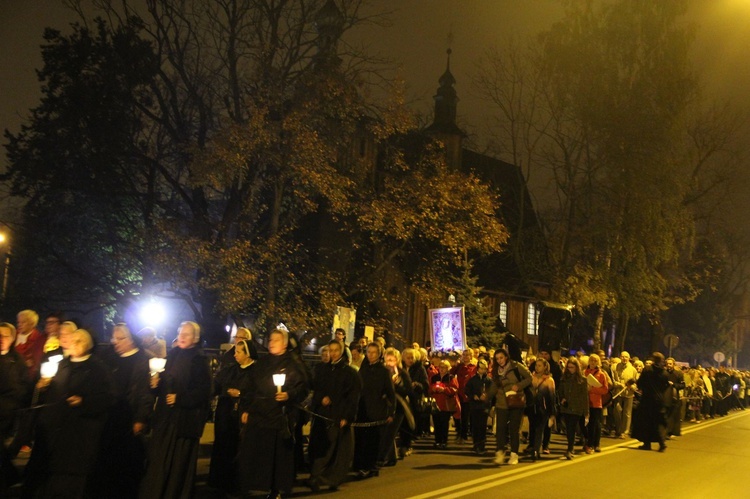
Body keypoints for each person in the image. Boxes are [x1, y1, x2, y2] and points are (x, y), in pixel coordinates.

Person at [23, 328, 115, 498]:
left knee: (72, 482)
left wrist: (84, 402)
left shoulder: (97, 369)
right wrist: (42, 387)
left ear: (87, 344)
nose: (74, 343)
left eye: (78, 340)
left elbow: (107, 399)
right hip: (55, 432)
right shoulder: (60, 365)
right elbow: (47, 394)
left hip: (79, 434)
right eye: (72, 340)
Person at [140, 321, 212, 499]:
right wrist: (156, 384)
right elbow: (165, 381)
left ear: (195, 338)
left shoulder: (199, 360)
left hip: (183, 422)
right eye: (180, 333)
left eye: (187, 334)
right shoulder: (172, 355)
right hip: (166, 418)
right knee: (160, 460)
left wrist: (180, 399)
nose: (182, 337)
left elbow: (203, 391)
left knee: (178, 463)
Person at [238, 328, 309, 499]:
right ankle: (254, 484)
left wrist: (288, 394)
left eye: (275, 340)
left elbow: (303, 388)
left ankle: (276, 488)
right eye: (270, 340)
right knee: (255, 451)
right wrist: (245, 408)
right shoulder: (262, 363)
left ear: (284, 344)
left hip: (278, 416)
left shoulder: (293, 364)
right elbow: (250, 387)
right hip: (259, 414)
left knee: (277, 455)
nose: (271, 343)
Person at [93, 323, 153, 498]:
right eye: (114, 338)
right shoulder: (107, 357)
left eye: (120, 339)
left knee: (126, 464)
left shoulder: (143, 360)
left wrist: (141, 418)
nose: (115, 342)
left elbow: (145, 393)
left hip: (129, 418)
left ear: (132, 340)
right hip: (107, 418)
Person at [307, 339, 361, 492]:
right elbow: (316, 390)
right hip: (322, 416)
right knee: (320, 448)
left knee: (336, 451)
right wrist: (321, 398)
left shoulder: (350, 373)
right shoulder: (322, 370)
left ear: (342, 351)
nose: (333, 353)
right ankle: (315, 476)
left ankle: (331, 479)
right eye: (330, 350)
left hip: (339, 416)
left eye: (336, 350)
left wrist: (347, 416)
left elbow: (352, 397)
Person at [208, 339, 256, 495]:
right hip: (224, 414)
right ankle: (218, 481)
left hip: (241, 415)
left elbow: (258, 393)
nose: (235, 355)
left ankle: (236, 483)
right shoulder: (229, 370)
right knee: (222, 447)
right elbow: (216, 385)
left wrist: (241, 394)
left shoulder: (256, 371)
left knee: (237, 450)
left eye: (238, 352)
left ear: (248, 354)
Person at [353, 342, 395, 479]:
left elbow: (390, 393)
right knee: (361, 440)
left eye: (373, 352)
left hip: (376, 411)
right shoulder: (363, 369)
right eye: (368, 352)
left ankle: (370, 466)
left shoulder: (383, 371)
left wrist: (390, 412)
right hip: (362, 410)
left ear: (379, 354)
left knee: (373, 440)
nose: (370, 355)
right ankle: (360, 465)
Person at [487, 348, 531, 466]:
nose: (500, 360)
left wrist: (519, 385)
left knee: (514, 429)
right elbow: (494, 386)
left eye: (501, 357)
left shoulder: (516, 366)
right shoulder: (495, 370)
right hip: (501, 402)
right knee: (500, 429)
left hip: (516, 401)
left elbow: (529, 378)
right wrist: (486, 397)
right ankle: (500, 452)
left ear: (506, 357)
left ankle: (514, 454)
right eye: (497, 359)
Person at [0, 322, 29, 491]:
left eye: (5, 336)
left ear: (12, 338)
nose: (1, 339)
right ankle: (10, 476)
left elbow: (19, 389)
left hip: (6, 411)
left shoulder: (16, 361)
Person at [378, 347, 412, 466]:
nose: (389, 363)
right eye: (387, 360)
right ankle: (391, 457)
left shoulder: (402, 374)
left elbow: (408, 390)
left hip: (398, 408)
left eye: (392, 360)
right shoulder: (381, 372)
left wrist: (396, 385)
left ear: (397, 360)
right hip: (383, 407)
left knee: (390, 432)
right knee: (385, 433)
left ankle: (381, 458)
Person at [631, 352, 669, 452]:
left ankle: (647, 443)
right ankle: (662, 443)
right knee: (658, 422)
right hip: (659, 400)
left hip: (647, 399)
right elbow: (666, 386)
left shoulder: (647, 370)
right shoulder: (664, 373)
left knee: (645, 421)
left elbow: (640, 383)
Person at [558, 357, 588, 459]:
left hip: (577, 407)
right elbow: (560, 391)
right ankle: (570, 447)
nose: (570, 369)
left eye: (572, 367)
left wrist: (586, 411)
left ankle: (570, 448)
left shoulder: (582, 380)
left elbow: (585, 396)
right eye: (569, 367)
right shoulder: (564, 378)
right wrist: (562, 399)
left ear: (577, 368)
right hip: (566, 407)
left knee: (572, 427)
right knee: (568, 428)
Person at [527, 358, 556, 460]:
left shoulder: (549, 380)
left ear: (545, 367)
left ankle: (536, 450)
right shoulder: (531, 377)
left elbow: (552, 397)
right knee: (532, 428)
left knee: (539, 429)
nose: (537, 367)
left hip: (542, 408)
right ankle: (532, 446)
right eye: (536, 365)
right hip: (532, 407)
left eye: (539, 365)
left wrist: (552, 413)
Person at [402, 347, 429, 449]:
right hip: (402, 397)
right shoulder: (400, 367)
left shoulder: (419, 368)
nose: (410, 360)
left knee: (411, 420)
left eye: (412, 358)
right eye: (408, 358)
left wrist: (417, 384)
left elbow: (425, 385)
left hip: (414, 398)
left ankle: (408, 442)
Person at [464, 358, 492, 454]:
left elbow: (492, 392)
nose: (483, 371)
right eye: (481, 368)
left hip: (484, 406)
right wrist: (473, 396)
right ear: (477, 369)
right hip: (475, 406)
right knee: (475, 426)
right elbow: (467, 390)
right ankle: (476, 444)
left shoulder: (488, 380)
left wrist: (487, 397)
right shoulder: (473, 380)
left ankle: (482, 445)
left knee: (483, 427)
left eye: (484, 369)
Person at [429, 360, 459, 449]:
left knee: (444, 424)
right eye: (440, 367)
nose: (442, 369)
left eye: (444, 367)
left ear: (448, 368)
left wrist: (444, 390)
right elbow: (429, 388)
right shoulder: (434, 377)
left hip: (445, 405)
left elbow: (455, 389)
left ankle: (443, 441)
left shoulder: (451, 377)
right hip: (436, 404)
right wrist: (433, 389)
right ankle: (437, 441)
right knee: (436, 423)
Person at [584, 353, 608, 454]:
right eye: (591, 360)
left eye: (595, 361)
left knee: (595, 424)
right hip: (585, 401)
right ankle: (588, 443)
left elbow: (604, 390)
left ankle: (595, 444)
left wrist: (592, 389)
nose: (593, 362)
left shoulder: (602, 374)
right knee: (586, 424)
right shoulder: (584, 372)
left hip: (596, 402)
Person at [451, 349, 476, 444]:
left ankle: (464, 435)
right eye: (464, 355)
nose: (465, 356)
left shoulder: (473, 367)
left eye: (467, 355)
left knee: (465, 416)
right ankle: (459, 433)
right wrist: (456, 365)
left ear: (471, 356)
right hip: (458, 393)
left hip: (467, 394)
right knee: (457, 415)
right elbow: (451, 373)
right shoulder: (459, 366)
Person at [15, 309, 46, 379]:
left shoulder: (38, 340)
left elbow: (34, 361)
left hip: (26, 376)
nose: (19, 325)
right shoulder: (12, 335)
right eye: (18, 322)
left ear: (32, 323)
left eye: (23, 322)